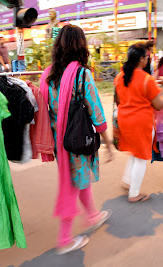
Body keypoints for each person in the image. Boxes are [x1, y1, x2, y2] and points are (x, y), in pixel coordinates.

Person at [40, 25, 114, 255]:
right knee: (72, 185)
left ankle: (92, 215)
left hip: (58, 141)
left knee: (78, 178)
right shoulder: (82, 74)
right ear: (80, 45)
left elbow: (44, 109)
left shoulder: (48, 74)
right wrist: (108, 141)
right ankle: (64, 239)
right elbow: (96, 110)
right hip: (77, 140)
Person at [115, 43, 163, 202]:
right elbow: (159, 105)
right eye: (147, 57)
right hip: (141, 123)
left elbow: (118, 101)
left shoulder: (119, 77)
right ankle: (134, 193)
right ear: (142, 59)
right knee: (142, 157)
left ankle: (128, 181)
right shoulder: (147, 79)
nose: (148, 60)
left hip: (124, 120)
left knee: (135, 153)